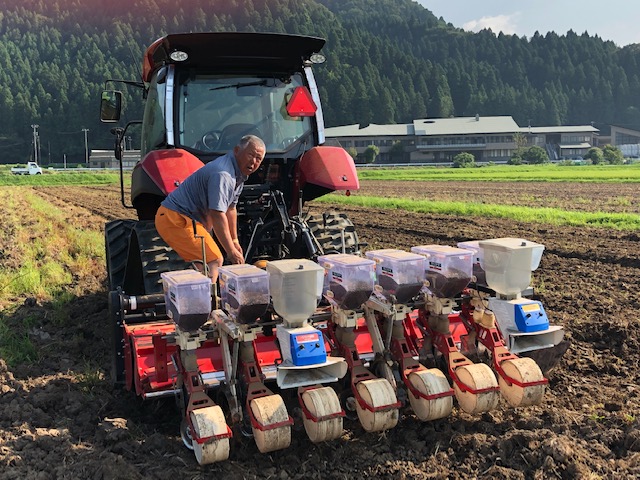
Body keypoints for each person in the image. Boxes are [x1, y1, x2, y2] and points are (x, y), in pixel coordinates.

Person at [155, 135, 266, 283]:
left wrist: (234, 240)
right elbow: (217, 214)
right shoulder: (223, 174)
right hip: (176, 218)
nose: (253, 162)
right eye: (250, 155)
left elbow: (230, 209)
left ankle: (200, 294)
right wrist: (230, 251)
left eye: (258, 158)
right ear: (237, 150)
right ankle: (208, 301)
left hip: (190, 220)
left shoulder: (238, 174)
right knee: (214, 259)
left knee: (205, 260)